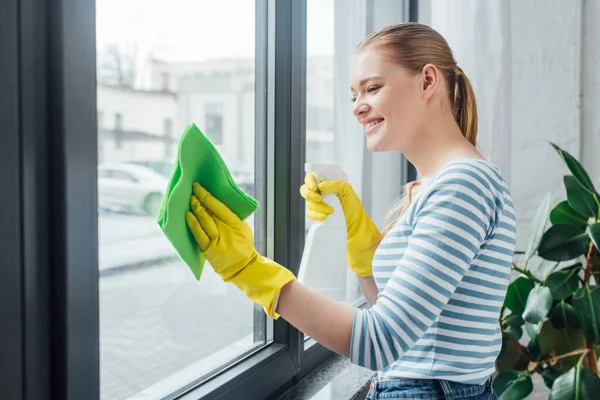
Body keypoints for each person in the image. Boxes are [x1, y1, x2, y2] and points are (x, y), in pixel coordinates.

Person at [185, 22, 516, 400]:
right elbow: (412, 331)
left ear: (427, 81)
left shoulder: (463, 185)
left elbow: (381, 342)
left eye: (373, 88)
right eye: (354, 94)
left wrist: (250, 270)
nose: (358, 107)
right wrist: (362, 251)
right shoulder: (443, 185)